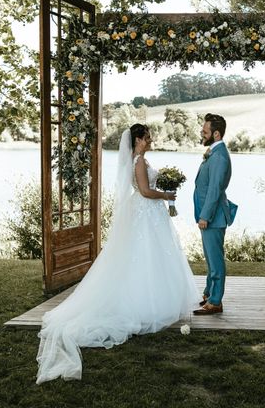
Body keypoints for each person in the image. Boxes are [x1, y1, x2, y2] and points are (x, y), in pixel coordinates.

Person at [36, 124, 199, 384]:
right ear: (137, 139)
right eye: (147, 137)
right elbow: (145, 192)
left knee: (154, 259)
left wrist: (165, 188)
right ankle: (143, 304)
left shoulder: (142, 160)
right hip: (146, 213)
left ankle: (155, 298)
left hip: (149, 215)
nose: (150, 140)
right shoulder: (138, 162)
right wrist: (166, 194)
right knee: (144, 258)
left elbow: (146, 188)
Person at [193, 113, 237, 315]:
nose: (201, 133)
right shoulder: (214, 152)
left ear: (216, 134)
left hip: (213, 217)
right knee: (210, 259)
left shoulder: (219, 156)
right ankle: (209, 294)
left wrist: (205, 216)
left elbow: (214, 189)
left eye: (205, 131)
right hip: (209, 216)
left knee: (216, 260)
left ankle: (216, 301)